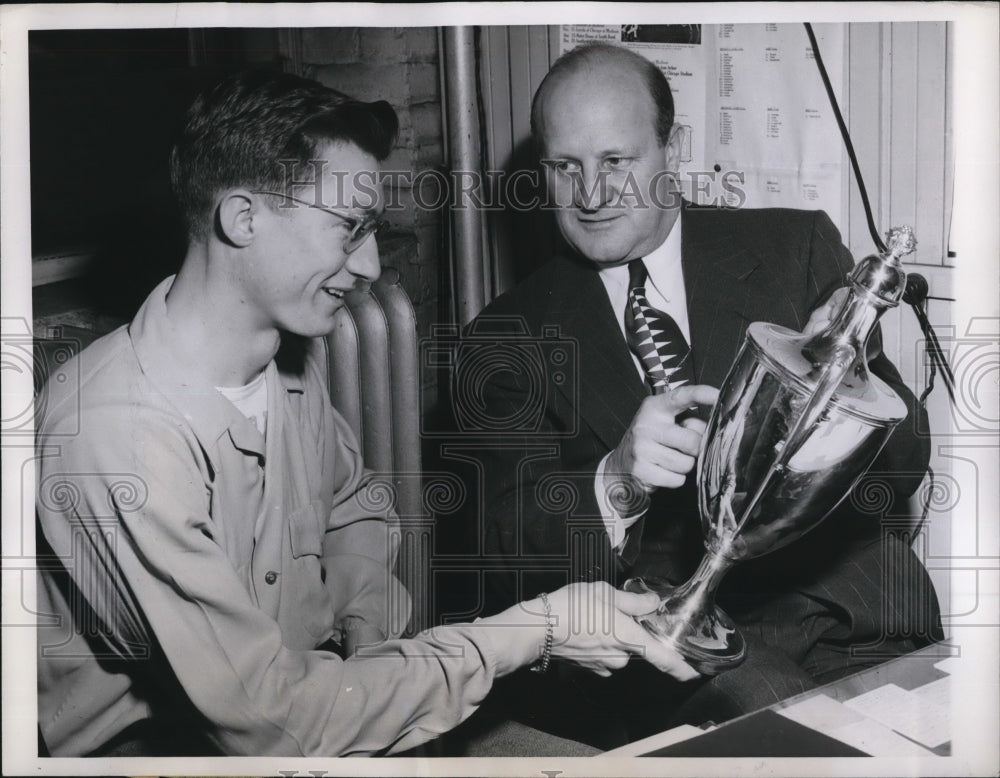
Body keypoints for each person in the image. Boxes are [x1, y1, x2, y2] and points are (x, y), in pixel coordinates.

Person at [33, 69, 699, 758]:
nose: (373, 263)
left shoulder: (286, 357)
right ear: (243, 219)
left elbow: (354, 507)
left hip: (333, 715)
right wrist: (538, 628)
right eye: (350, 229)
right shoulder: (118, 433)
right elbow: (272, 725)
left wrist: (371, 641)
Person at [458, 42, 943, 746]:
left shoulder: (793, 246)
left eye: (616, 162)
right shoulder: (505, 335)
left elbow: (900, 467)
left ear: (672, 149)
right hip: (657, 644)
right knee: (803, 733)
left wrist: (838, 388)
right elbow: (503, 547)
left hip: (849, 603)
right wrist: (616, 480)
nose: (591, 195)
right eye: (566, 168)